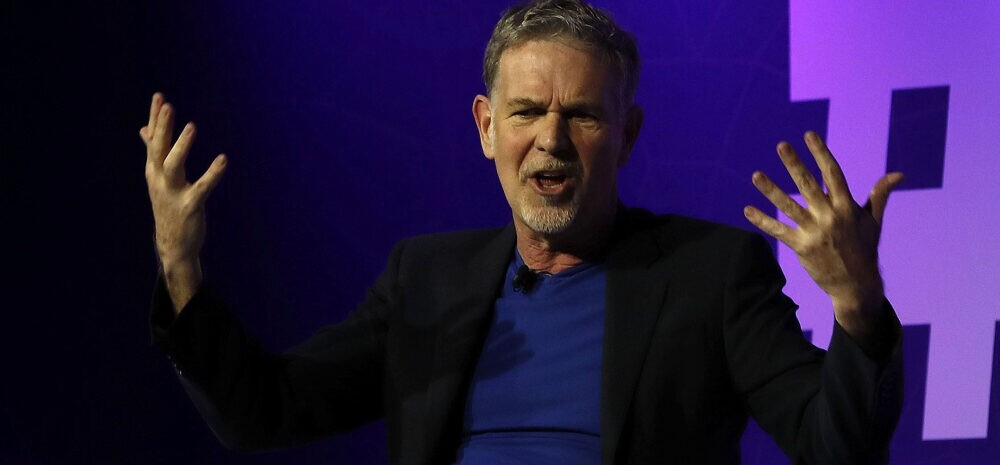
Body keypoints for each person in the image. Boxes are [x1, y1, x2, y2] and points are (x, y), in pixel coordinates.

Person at [140, 1, 903, 464]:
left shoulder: (711, 273)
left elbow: (835, 446)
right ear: (485, 127)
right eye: (527, 111)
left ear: (627, 134)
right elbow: (264, 411)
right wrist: (180, 266)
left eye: (583, 115)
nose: (552, 138)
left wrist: (858, 308)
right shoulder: (426, 278)